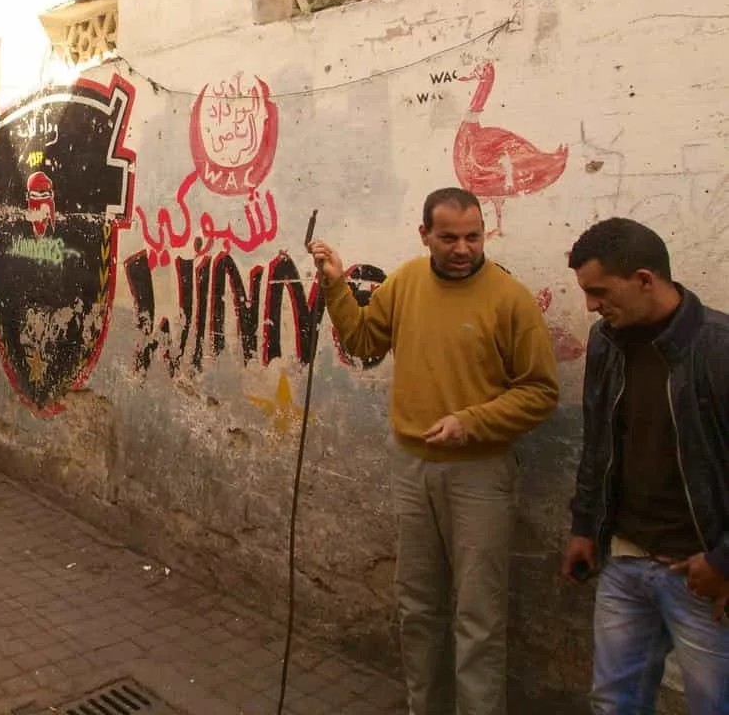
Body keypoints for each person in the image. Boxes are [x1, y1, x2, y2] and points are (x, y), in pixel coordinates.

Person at [308, 187, 559, 715]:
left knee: (478, 617)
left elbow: (540, 392)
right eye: (449, 237)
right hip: (412, 468)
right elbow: (363, 343)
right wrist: (336, 291)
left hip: (481, 474)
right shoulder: (405, 283)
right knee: (418, 608)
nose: (463, 248)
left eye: (473, 236)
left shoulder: (509, 298)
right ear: (425, 235)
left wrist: (472, 422)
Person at [561, 218, 729, 713]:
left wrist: (722, 562)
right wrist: (584, 528)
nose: (591, 305)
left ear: (644, 280)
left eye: (599, 291)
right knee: (613, 702)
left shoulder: (720, 350)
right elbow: (597, 444)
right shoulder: (606, 341)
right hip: (624, 560)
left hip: (700, 574)